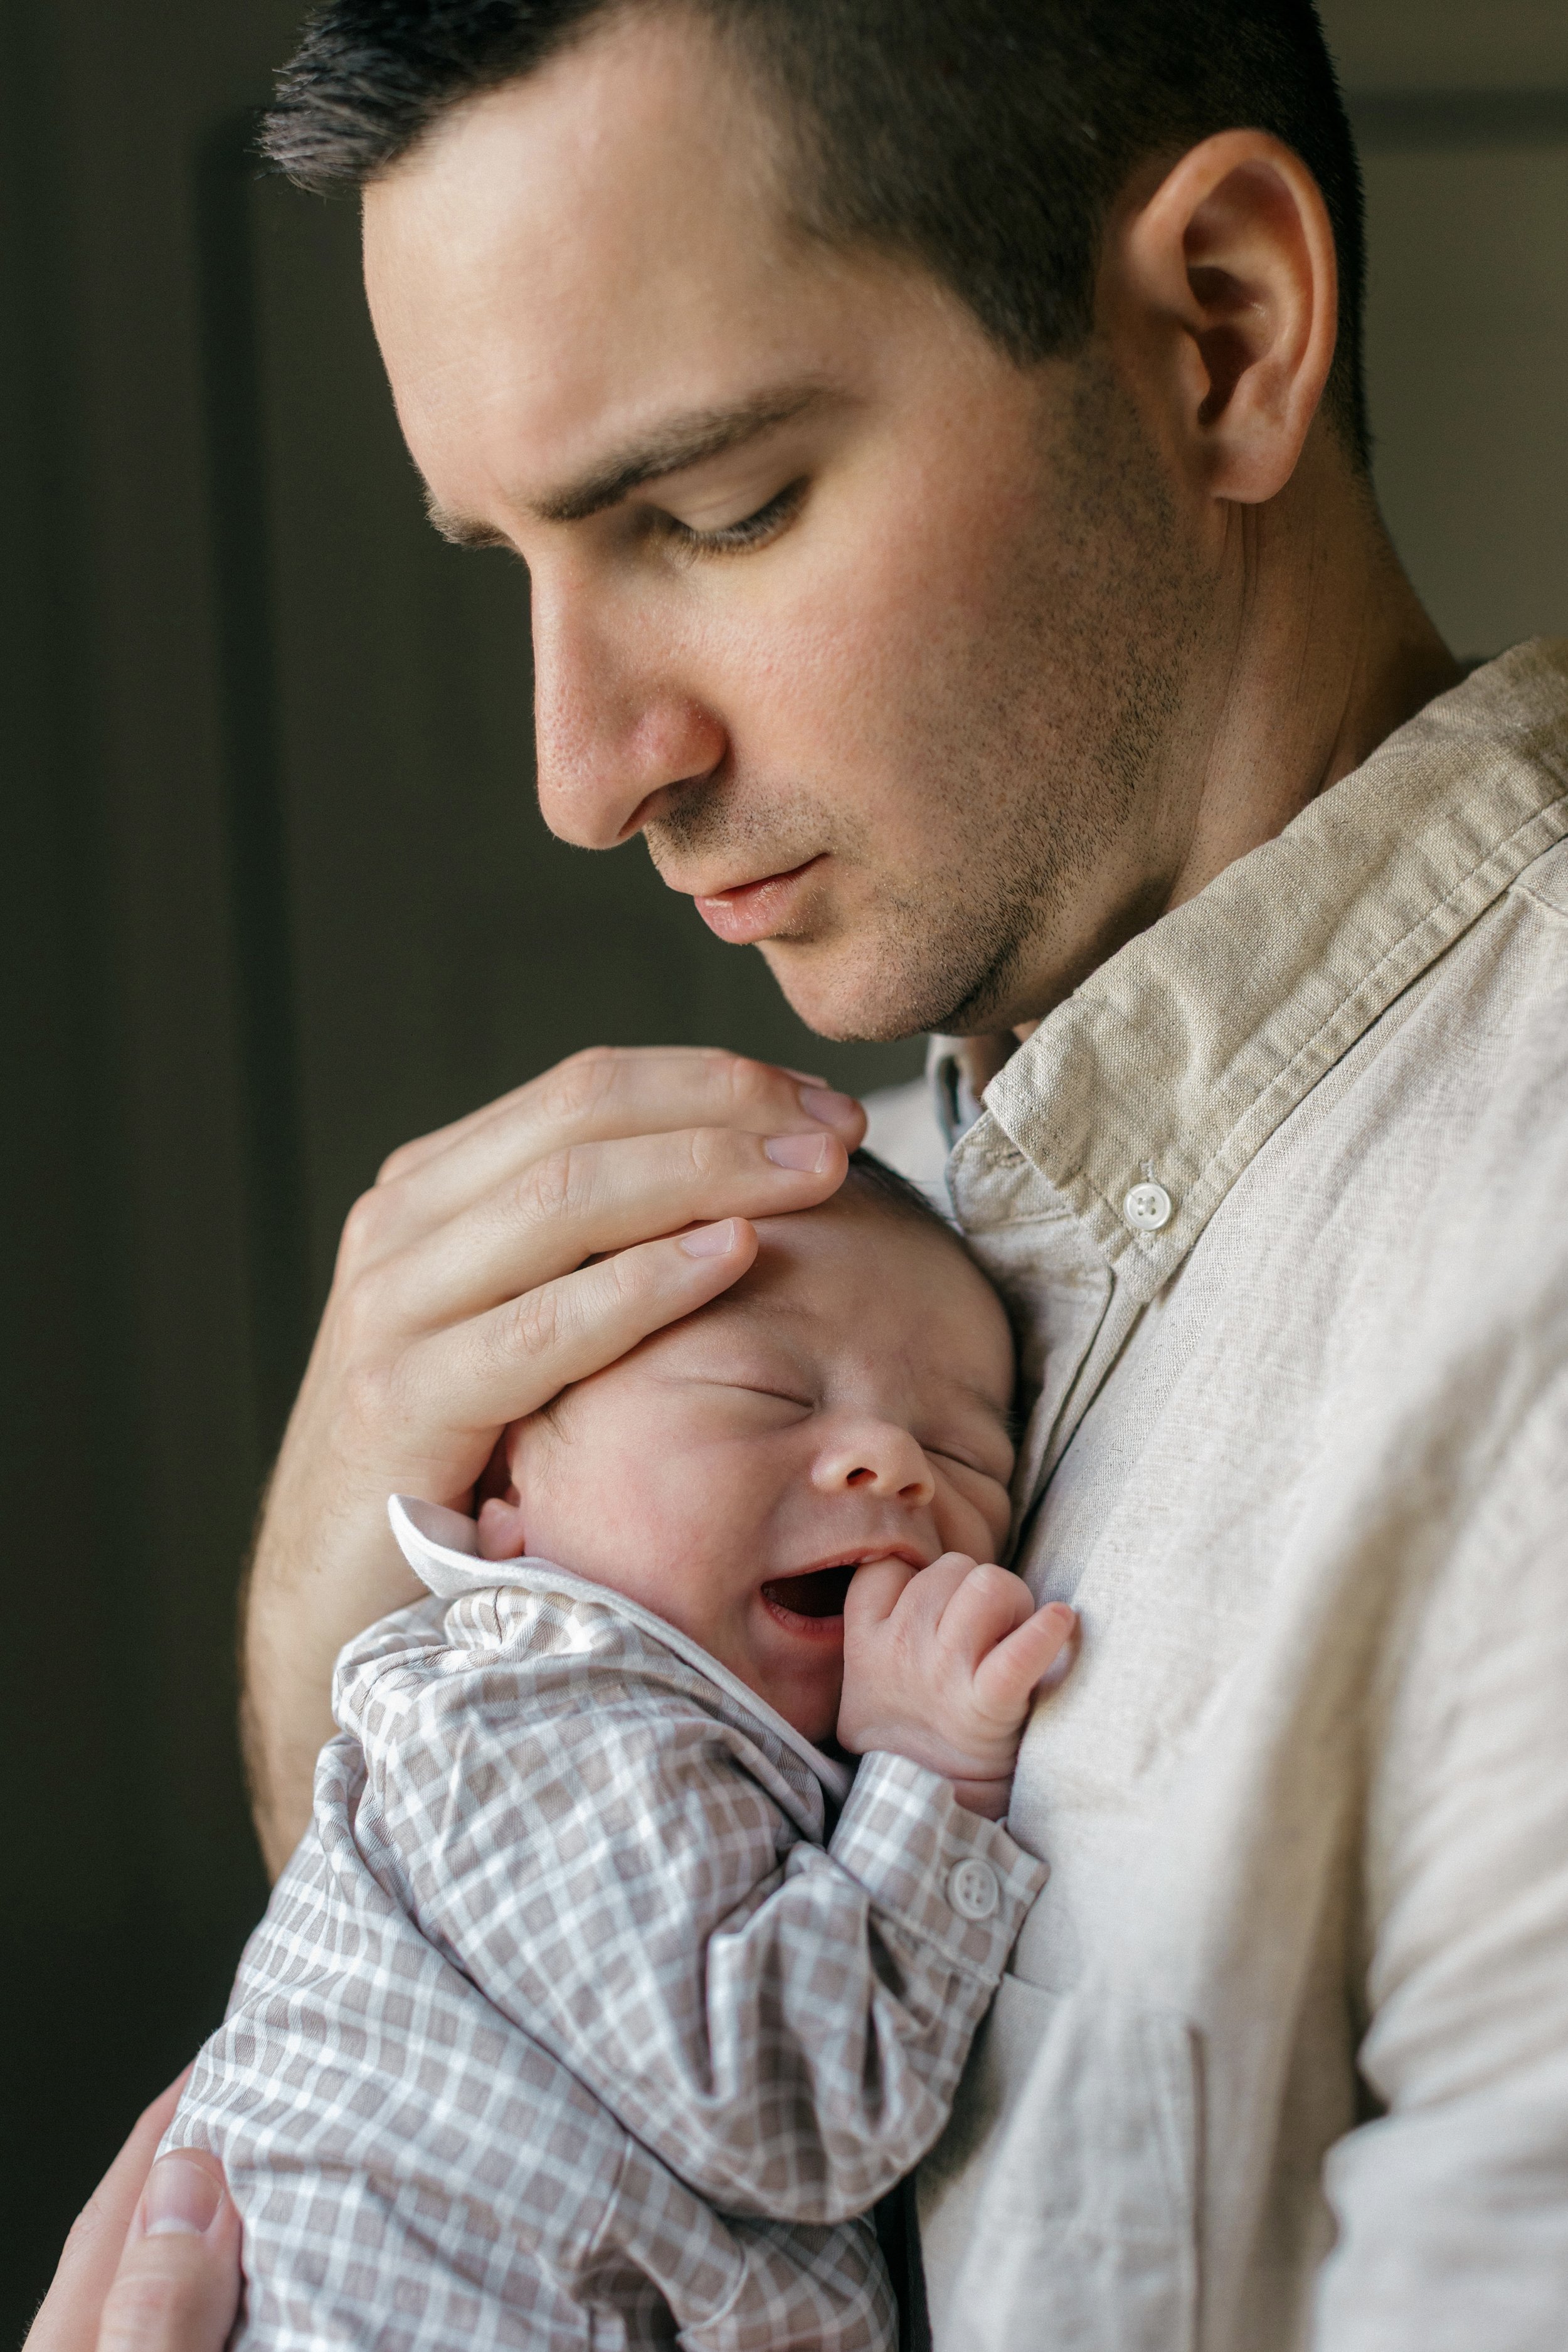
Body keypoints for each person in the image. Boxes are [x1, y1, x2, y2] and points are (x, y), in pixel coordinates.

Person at [34, 0, 1568, 2346]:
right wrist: (345, 1571)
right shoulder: (853, 1217)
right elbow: (543, 2038)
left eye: (715, 509)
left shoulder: (1519, 1310)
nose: (581, 768)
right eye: (505, 561)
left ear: (1223, 334)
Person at [162, 1160, 1074, 2349]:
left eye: (966, 1457)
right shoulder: (535, 1714)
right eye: (766, 1392)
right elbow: (771, 2104)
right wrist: (927, 1776)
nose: (892, 1463)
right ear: (507, 1493)